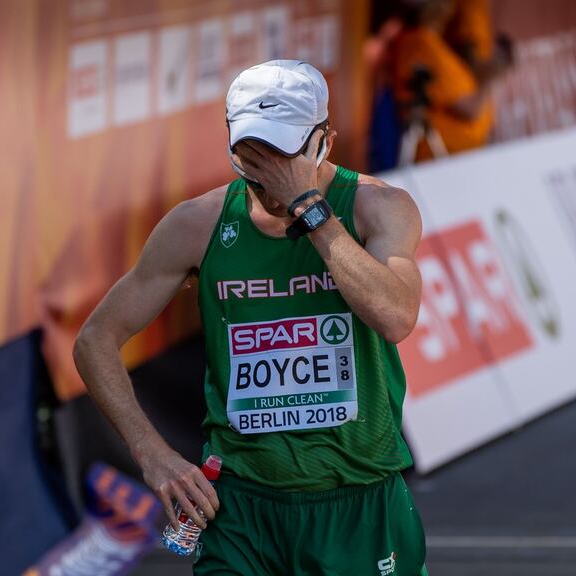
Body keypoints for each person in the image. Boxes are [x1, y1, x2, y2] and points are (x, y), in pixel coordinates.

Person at [74, 60, 428, 575]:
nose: (267, 173)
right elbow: (95, 341)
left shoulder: (380, 207)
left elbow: (396, 317)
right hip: (242, 511)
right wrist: (153, 456)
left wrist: (309, 206)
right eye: (250, 152)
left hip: (359, 504)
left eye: (282, 153)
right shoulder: (198, 224)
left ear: (323, 140)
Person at [390, 0, 504, 162]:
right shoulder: (420, 44)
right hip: (441, 158)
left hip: (459, 157)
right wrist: (492, 74)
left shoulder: (432, 42)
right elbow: (469, 109)